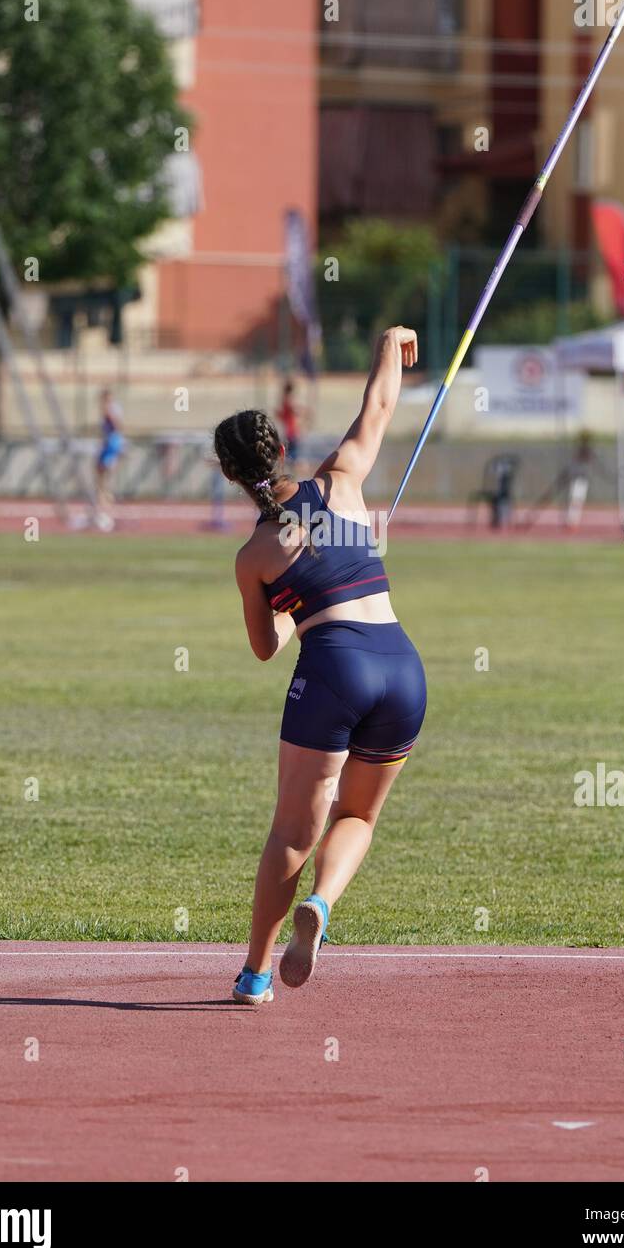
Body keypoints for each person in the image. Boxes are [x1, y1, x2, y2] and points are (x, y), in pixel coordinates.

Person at [213, 327, 427, 1005]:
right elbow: (380, 408)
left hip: (333, 666)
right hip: (401, 665)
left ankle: (254, 973)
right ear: (281, 447)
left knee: (290, 832)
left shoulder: (252, 557)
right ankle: (324, 907)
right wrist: (390, 343)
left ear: (229, 475)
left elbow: (266, 646)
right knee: (357, 818)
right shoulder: (341, 478)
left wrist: (289, 598)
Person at [94, 389, 125, 531]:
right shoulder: (110, 409)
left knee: (105, 473)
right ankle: (104, 499)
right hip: (111, 443)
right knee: (101, 472)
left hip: (112, 443)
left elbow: (116, 427)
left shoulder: (111, 409)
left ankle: (106, 505)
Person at [276, 377, 303, 463]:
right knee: (292, 455)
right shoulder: (288, 400)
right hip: (291, 431)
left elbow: (281, 414)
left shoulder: (284, 400)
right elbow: (294, 411)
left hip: (288, 430)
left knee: (290, 452)